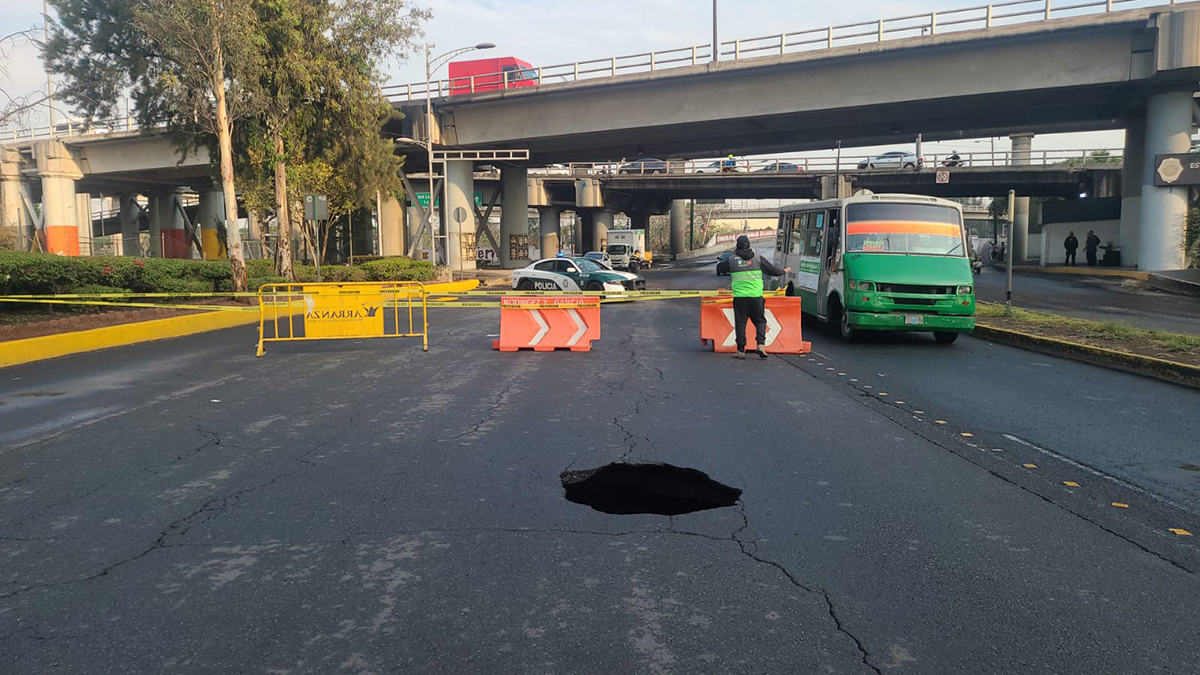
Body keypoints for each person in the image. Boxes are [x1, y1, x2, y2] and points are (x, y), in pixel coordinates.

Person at [716, 235, 790, 359]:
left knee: (740, 323)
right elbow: (773, 270)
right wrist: (783, 271)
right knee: (760, 321)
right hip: (756, 297)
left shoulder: (732, 260)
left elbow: (720, 267)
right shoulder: (758, 258)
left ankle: (740, 350)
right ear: (749, 245)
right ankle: (761, 345)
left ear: (737, 245)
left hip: (740, 298)